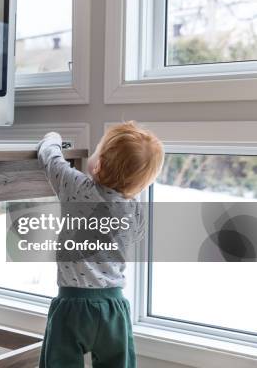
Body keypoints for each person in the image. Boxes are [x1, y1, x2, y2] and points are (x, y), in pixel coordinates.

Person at [36, 121, 164, 368]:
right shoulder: (134, 210)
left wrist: (53, 136)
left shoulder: (76, 187)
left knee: (59, 362)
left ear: (98, 164)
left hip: (72, 305)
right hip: (113, 307)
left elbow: (50, 159)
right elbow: (135, 237)